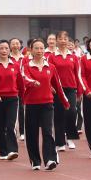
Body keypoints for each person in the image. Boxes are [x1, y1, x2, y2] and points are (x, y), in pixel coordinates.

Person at [21, 38, 69, 170]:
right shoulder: (26, 66)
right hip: (31, 104)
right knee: (32, 133)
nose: (39, 51)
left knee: (47, 132)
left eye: (42, 48)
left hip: (47, 103)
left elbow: (58, 85)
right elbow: (25, 78)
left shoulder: (51, 67)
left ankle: (50, 159)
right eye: (36, 48)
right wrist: (32, 82)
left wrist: (65, 101)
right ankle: (35, 161)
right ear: (31, 50)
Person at [48, 31, 82, 151]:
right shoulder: (52, 56)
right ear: (57, 40)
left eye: (65, 39)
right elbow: (48, 73)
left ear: (68, 41)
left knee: (72, 112)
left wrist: (79, 91)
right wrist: (49, 86)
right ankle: (60, 142)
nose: (63, 41)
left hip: (71, 88)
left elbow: (78, 74)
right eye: (60, 38)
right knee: (59, 115)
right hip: (57, 90)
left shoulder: (73, 57)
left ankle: (70, 137)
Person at [0, 40, 21, 161]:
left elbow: (20, 83)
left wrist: (24, 96)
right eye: (1, 48)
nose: (4, 51)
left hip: (13, 98)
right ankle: (3, 151)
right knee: (0, 125)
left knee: (10, 125)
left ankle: (13, 150)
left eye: (6, 48)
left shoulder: (15, 65)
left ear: (9, 50)